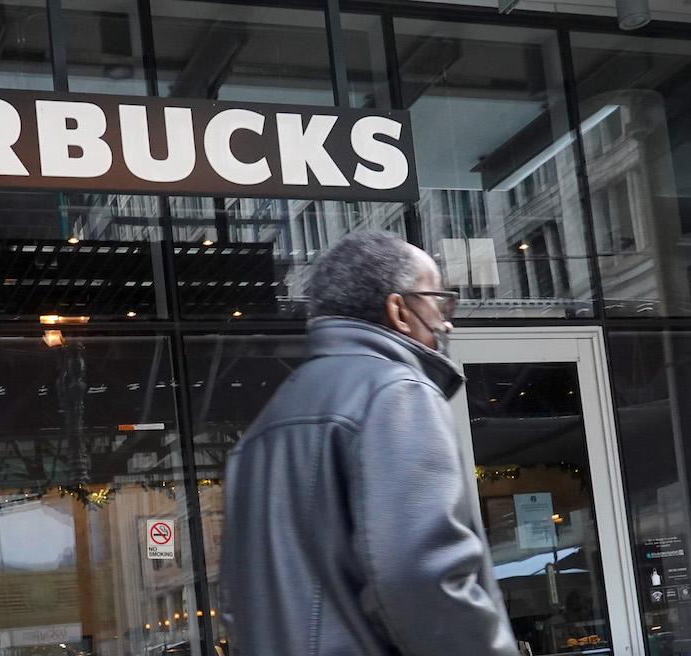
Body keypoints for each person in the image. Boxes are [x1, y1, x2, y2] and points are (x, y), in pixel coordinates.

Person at [220, 231, 517, 656]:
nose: (447, 321)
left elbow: (238, 604)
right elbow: (422, 578)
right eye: (438, 301)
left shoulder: (261, 432)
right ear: (398, 310)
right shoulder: (395, 392)